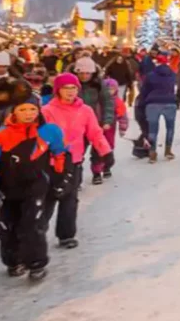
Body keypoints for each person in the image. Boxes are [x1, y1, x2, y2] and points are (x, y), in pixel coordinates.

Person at [0, 88, 68, 281]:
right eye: (23, 110)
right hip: (8, 188)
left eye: (32, 109)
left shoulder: (49, 131)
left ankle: (36, 263)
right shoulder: (2, 135)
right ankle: (13, 261)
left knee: (32, 223)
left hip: (36, 185)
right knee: (7, 226)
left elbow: (60, 154)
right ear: (13, 112)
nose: (28, 114)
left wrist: (60, 178)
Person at [41, 73, 112, 249]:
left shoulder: (85, 110)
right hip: (50, 162)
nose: (70, 92)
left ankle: (66, 235)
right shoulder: (47, 111)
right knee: (47, 199)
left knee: (70, 198)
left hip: (74, 160)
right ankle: (36, 233)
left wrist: (105, 150)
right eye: (66, 88)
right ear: (58, 90)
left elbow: (94, 132)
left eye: (73, 88)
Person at [73, 57, 115, 185]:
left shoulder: (98, 85)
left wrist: (107, 120)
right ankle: (76, 178)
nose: (84, 76)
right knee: (77, 152)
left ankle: (97, 172)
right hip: (76, 124)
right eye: (81, 73)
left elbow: (107, 102)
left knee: (98, 150)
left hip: (95, 122)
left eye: (87, 73)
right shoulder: (71, 85)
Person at [137, 52, 178, 163]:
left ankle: (152, 153)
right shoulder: (173, 74)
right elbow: (173, 88)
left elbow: (144, 91)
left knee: (152, 130)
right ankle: (168, 150)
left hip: (153, 104)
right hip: (170, 103)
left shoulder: (150, 75)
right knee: (170, 128)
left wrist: (141, 104)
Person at [102, 77, 129, 175]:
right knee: (98, 147)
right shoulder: (99, 100)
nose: (109, 91)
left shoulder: (117, 101)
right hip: (98, 127)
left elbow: (123, 116)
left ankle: (107, 166)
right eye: (107, 89)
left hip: (110, 127)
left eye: (112, 89)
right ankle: (98, 166)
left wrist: (123, 128)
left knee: (109, 145)